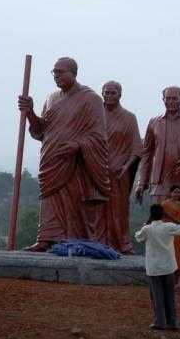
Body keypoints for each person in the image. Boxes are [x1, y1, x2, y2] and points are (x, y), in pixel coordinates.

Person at [18, 57, 110, 251]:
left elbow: (99, 134)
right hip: (51, 158)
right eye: (54, 72)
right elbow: (40, 131)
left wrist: (77, 145)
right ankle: (45, 239)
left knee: (72, 202)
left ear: (73, 73)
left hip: (75, 162)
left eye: (60, 72)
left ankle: (74, 239)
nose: (56, 76)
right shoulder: (51, 98)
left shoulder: (91, 99)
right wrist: (30, 112)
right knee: (49, 199)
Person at [102, 81, 143, 255]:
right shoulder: (94, 114)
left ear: (120, 94)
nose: (109, 96)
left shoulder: (129, 117)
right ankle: (98, 241)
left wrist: (127, 167)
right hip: (96, 171)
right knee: (97, 209)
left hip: (120, 173)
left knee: (119, 210)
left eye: (113, 93)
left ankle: (122, 243)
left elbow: (137, 147)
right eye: (107, 92)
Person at [134, 204, 180, 330]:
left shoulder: (147, 229)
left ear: (151, 215)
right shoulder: (169, 227)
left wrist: (147, 221)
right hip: (169, 267)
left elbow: (138, 237)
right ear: (163, 214)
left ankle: (160, 322)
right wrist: (172, 217)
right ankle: (173, 322)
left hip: (154, 268)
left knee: (157, 296)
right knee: (170, 295)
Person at [161, 185, 180, 287]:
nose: (177, 194)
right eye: (175, 192)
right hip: (168, 230)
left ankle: (175, 282)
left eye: (178, 192)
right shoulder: (164, 204)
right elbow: (163, 217)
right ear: (170, 193)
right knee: (168, 255)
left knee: (179, 256)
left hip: (178, 232)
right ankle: (166, 281)